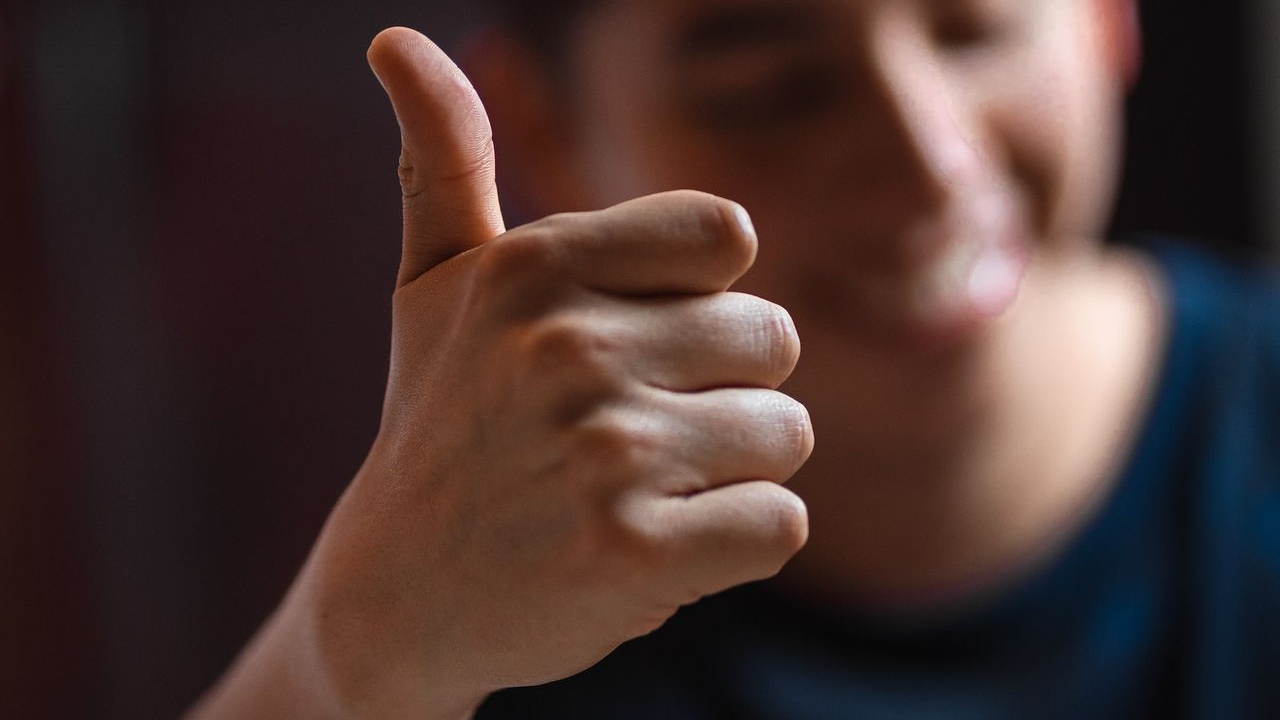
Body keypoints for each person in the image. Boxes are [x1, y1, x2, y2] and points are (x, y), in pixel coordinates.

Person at [187, 0, 1280, 718]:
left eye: (974, 28)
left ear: (1104, 18)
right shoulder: (485, 565)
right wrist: (350, 659)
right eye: (773, 88)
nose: (927, 163)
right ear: (542, 122)